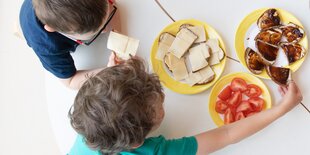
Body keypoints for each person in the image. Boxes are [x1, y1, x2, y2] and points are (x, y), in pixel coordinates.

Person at [68, 57, 302, 155]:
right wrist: (280, 109)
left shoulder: (87, 123)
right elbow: (227, 134)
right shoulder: (155, 152)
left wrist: (115, 73)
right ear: (138, 143)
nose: (162, 100)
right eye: (159, 107)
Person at [19, 0, 118, 89]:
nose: (105, 30)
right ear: (54, 29)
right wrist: (109, 71)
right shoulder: (48, 47)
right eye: (96, 33)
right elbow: (70, 81)